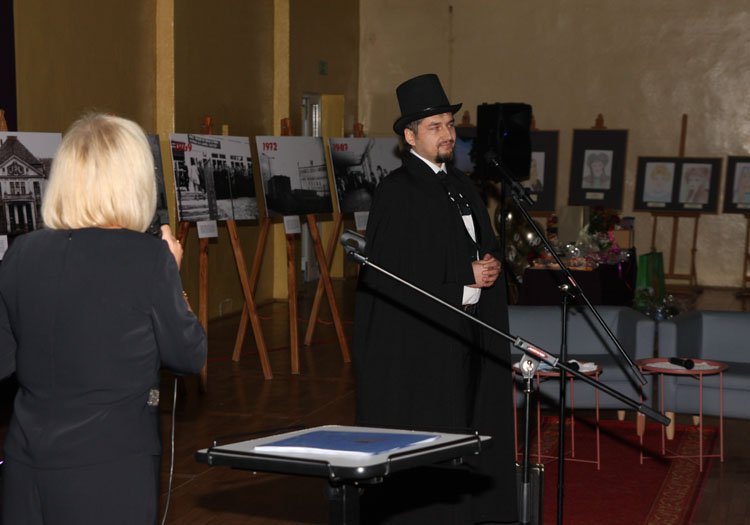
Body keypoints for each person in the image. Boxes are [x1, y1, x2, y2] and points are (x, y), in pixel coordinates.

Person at [0, 113, 207, 524]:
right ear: (135, 181)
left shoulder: (22, 253)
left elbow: (4, 359)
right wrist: (174, 278)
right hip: (110, 469)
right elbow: (188, 356)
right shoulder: (148, 258)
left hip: (26, 464)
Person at [353, 73, 518, 524]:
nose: (447, 134)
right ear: (410, 137)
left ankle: (473, 512)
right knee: (436, 435)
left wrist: (490, 263)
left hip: (467, 335)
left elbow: (477, 245)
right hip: (423, 345)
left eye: (449, 124)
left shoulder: (462, 185)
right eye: (435, 127)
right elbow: (391, 279)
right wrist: (465, 278)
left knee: (470, 426)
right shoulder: (397, 192)